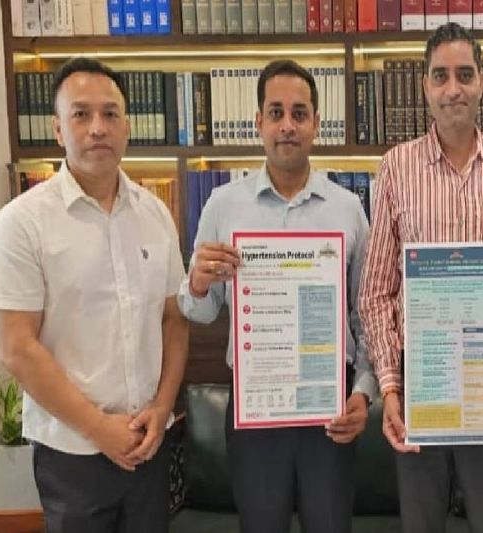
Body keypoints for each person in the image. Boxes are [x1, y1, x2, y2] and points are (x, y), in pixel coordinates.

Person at [0, 57, 189, 533]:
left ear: (127, 127)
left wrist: (162, 408)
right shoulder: (22, 223)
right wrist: (99, 429)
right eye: (81, 114)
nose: (98, 127)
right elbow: (17, 347)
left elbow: (174, 320)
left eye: (110, 114)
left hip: (149, 445)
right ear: (57, 128)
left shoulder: (155, 214)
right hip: (72, 453)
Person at [177, 59, 377, 533]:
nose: (288, 125)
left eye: (299, 113)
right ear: (258, 122)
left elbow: (365, 313)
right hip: (256, 408)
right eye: (276, 112)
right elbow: (198, 311)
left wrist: (364, 391)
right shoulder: (223, 205)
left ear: (316, 124)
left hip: (329, 406)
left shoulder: (348, 209)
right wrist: (198, 283)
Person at [358, 22, 483, 533]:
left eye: (464, 74)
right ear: (425, 87)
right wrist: (391, 388)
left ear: (482, 83)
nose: (453, 88)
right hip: (421, 382)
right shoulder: (395, 168)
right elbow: (375, 292)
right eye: (440, 76)